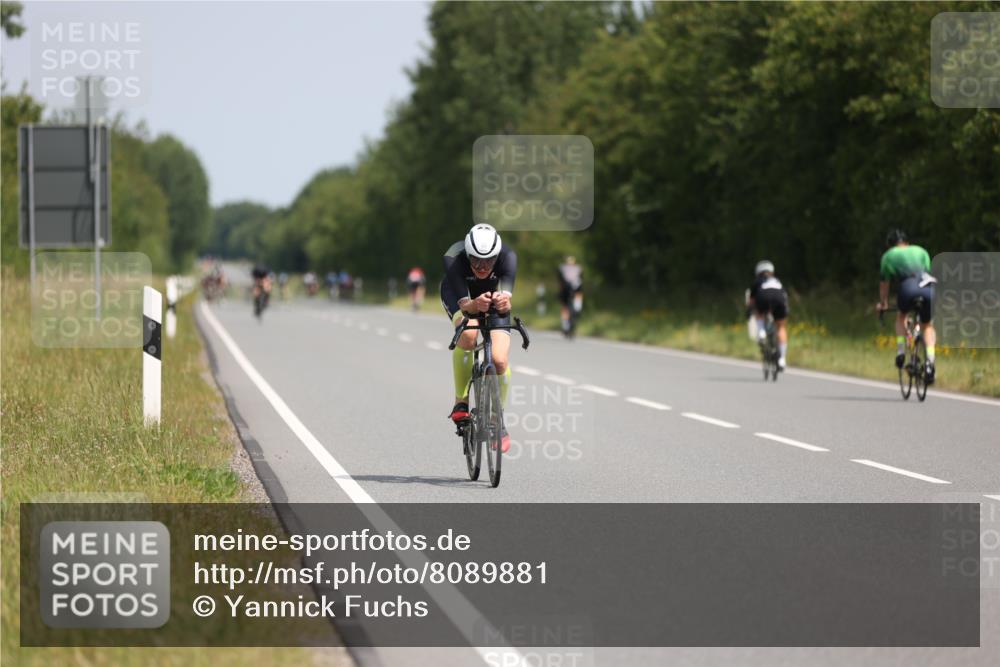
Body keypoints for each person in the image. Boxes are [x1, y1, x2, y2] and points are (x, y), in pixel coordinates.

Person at [440, 224, 518, 452]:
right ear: (467, 252)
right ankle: (460, 401)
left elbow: (506, 296)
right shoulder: (453, 257)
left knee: (500, 360)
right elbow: (466, 306)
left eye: (488, 261)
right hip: (459, 294)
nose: (482, 267)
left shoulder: (508, 256)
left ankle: (496, 419)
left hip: (492, 296)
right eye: (475, 260)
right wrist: (474, 304)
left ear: (497, 256)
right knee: (469, 333)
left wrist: (504, 301)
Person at [876, 229, 937, 383]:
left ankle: (901, 352)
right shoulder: (921, 250)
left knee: (901, 316)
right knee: (927, 325)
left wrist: (883, 303)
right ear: (907, 243)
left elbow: (884, 284)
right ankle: (930, 362)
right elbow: (926, 273)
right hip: (928, 289)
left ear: (890, 245)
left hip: (908, 288)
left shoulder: (888, 256)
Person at [747, 260, 789, 371]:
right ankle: (782, 359)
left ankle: (761, 332)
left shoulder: (758, 281)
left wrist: (750, 311)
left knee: (759, 312)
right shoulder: (777, 280)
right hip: (779, 299)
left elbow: (752, 301)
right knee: (781, 327)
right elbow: (784, 296)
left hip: (763, 298)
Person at [556, 256, 584, 336]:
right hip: (565, 292)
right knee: (565, 307)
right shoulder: (562, 269)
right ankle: (565, 325)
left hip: (576, 292)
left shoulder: (578, 269)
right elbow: (560, 281)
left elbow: (581, 283)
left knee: (575, 309)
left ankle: (569, 324)